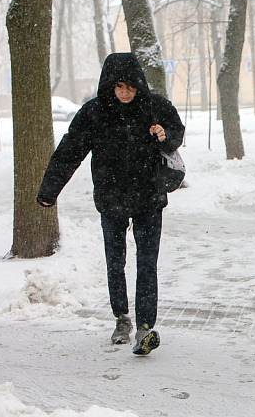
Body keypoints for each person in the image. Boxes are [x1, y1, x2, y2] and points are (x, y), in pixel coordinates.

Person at [37, 52, 185, 356]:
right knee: (115, 262)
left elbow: (175, 136)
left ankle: (145, 327)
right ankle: (121, 318)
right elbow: (69, 151)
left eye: (130, 87)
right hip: (111, 197)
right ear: (109, 86)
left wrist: (164, 135)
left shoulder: (155, 107)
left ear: (138, 85)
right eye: (119, 87)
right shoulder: (94, 112)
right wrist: (50, 189)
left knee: (147, 263)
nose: (125, 93)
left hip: (148, 196)